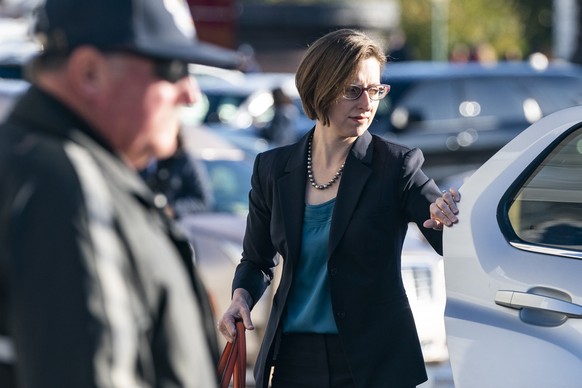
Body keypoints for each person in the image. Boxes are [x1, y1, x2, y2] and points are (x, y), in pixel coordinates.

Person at [0, 0, 242, 387]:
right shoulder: (68, 186)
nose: (191, 95)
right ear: (90, 73)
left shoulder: (43, 166)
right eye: (172, 69)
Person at [217, 28, 460, 388]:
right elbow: (257, 260)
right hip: (293, 360)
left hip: (373, 361)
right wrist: (242, 297)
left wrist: (446, 218)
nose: (367, 103)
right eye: (353, 90)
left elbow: (446, 239)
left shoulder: (396, 166)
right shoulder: (272, 169)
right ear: (320, 87)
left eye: (375, 90)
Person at [140, 130, 214, 218]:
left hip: (173, 224)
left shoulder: (184, 161)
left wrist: (173, 209)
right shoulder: (141, 159)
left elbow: (203, 201)